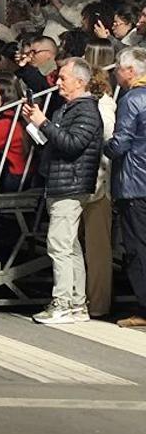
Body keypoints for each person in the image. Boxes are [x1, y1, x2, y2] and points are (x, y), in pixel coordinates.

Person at [23, 59, 104, 324]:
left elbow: (72, 145)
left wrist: (43, 122)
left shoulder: (87, 111)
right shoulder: (69, 108)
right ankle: (77, 304)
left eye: (63, 78)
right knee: (70, 246)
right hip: (60, 183)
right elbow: (54, 142)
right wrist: (37, 126)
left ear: (80, 82)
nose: (58, 82)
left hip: (71, 184)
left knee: (59, 245)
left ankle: (62, 304)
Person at [105, 47, 146, 328]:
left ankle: (144, 307)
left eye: (119, 68)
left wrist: (102, 146)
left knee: (136, 248)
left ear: (131, 71)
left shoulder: (132, 99)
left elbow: (120, 143)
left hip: (133, 183)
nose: (116, 73)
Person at [81, 41, 117, 317]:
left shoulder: (104, 105)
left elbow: (105, 141)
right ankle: (88, 299)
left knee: (97, 248)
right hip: (85, 182)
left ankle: (99, 304)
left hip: (99, 183)